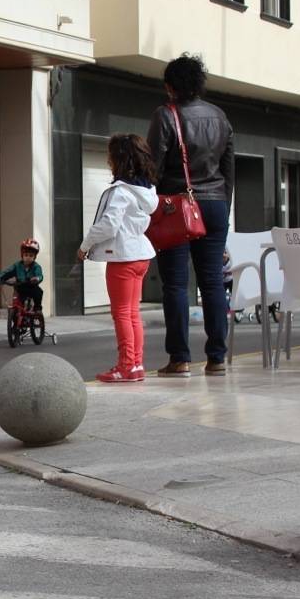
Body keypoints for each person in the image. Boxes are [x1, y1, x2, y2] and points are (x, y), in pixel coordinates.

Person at [147, 53, 234, 377]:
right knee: (212, 282)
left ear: (170, 87)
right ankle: (217, 358)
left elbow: (152, 167)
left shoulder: (165, 115)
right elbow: (228, 171)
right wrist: (223, 209)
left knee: (176, 285)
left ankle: (180, 358)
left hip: (177, 207)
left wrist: (148, 207)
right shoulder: (220, 117)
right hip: (215, 205)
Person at [78, 134, 159, 383]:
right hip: (141, 256)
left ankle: (126, 366)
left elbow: (108, 225)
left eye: (110, 155)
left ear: (119, 159)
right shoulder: (147, 191)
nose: (108, 160)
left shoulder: (120, 192)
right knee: (132, 313)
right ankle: (136, 364)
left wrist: (85, 245)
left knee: (122, 313)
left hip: (122, 257)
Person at [0, 239, 44, 313]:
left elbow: (39, 275)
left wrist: (37, 278)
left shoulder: (36, 266)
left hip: (31, 286)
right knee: (17, 300)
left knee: (39, 292)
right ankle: (16, 314)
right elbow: (8, 272)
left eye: (31, 256)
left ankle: (37, 308)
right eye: (26, 255)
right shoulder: (17, 266)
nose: (28, 258)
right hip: (20, 286)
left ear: (34, 257)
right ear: (22, 255)